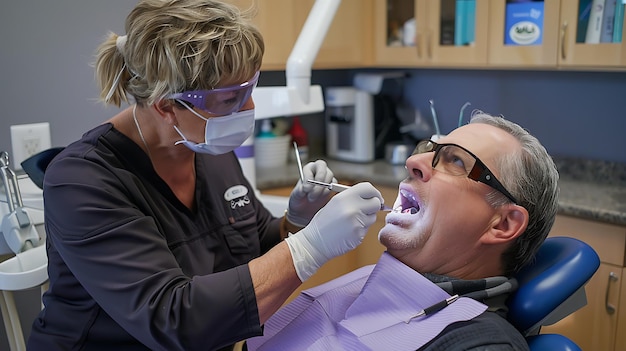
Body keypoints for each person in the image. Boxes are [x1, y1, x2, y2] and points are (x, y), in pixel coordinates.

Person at [27, 1, 384, 350]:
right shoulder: (82, 181)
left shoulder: (206, 149)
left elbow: (251, 241)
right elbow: (174, 321)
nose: (249, 109)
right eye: (230, 98)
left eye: (250, 90)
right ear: (166, 106)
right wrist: (312, 246)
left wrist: (297, 221)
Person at [246, 112, 560, 351]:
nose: (413, 161)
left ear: (503, 224)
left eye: (456, 161)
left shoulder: (479, 343)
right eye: (429, 148)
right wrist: (300, 230)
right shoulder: (372, 282)